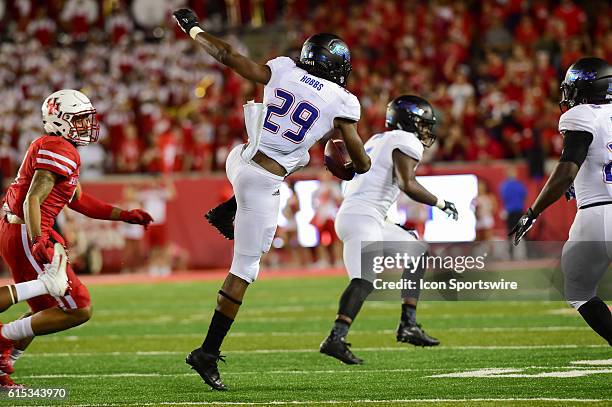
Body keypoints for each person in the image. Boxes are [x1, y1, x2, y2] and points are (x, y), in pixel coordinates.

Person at [173, 8, 371, 390]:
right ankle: (207, 353)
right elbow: (361, 161)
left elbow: (229, 56)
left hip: (240, 160)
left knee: (260, 163)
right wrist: (348, 159)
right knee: (245, 270)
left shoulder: (283, 68)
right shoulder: (343, 101)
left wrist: (194, 28)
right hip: (263, 181)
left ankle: (232, 208)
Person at [0, 89, 153, 388]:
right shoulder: (58, 147)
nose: (86, 125)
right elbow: (33, 198)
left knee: (45, 308)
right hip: (27, 229)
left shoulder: (60, 146)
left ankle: (3, 361)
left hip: (23, 228)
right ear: (60, 120)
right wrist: (37, 240)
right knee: (78, 307)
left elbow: (78, 200)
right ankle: (3, 337)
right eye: (79, 119)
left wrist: (124, 214)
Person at [320, 95, 459, 365]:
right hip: (363, 217)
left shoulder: (377, 140)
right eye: (422, 123)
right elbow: (407, 184)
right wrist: (441, 203)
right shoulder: (406, 141)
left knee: (417, 251)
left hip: (362, 215)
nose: (425, 130)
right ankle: (335, 338)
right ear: (410, 121)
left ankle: (408, 324)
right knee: (363, 281)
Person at [509, 57, 612, 347]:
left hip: (597, 216)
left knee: (578, 290)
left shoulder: (582, 115)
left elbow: (567, 169)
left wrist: (533, 212)